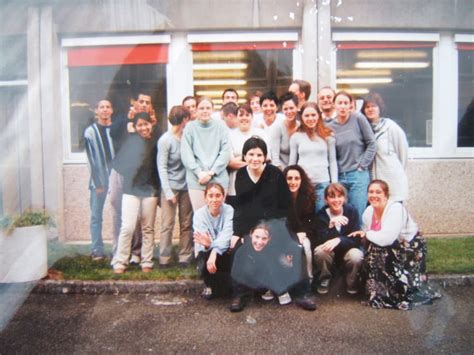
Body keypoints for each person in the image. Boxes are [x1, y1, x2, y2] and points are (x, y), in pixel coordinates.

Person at [350, 180, 440, 310]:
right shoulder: (368, 212)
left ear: (386, 195)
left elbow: (387, 239)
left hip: (410, 247)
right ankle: (378, 293)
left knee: (377, 249)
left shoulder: (395, 209)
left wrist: (367, 233)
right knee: (373, 250)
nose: (374, 195)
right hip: (388, 246)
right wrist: (365, 235)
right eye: (371, 192)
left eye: (378, 192)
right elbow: (368, 236)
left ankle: (394, 294)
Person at [111, 112, 160, 274]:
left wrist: (158, 191)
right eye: (140, 125)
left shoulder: (156, 143)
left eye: (146, 124)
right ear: (135, 126)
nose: (143, 128)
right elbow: (118, 165)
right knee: (128, 227)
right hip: (130, 190)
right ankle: (121, 261)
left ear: (151, 125)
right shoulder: (129, 142)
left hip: (149, 190)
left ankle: (146, 261)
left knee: (148, 228)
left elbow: (158, 169)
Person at [230, 221, 316, 312]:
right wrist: (238, 232)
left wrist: (298, 230)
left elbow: (291, 215)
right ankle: (239, 295)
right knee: (238, 249)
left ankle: (302, 294)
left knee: (297, 249)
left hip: (281, 230)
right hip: (253, 229)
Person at [232, 136, 291, 247]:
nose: (255, 159)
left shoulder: (275, 173)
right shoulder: (241, 174)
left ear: (265, 157)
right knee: (238, 248)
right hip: (250, 228)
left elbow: (285, 205)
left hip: (273, 226)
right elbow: (241, 207)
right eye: (251, 154)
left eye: (259, 155)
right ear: (244, 156)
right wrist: (239, 232)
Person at [328, 91, 376, 221]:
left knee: (357, 215)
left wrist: (362, 165)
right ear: (334, 105)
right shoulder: (329, 127)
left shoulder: (358, 118)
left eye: (346, 103)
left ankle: (359, 241)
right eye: (339, 103)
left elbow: (372, 143)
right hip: (340, 177)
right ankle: (346, 241)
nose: (343, 106)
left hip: (357, 175)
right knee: (342, 216)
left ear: (351, 105)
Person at [157, 106, 193, 268]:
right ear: (184, 119)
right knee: (167, 224)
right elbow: (162, 167)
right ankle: (164, 258)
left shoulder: (187, 137)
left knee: (186, 223)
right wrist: (168, 191)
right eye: (187, 118)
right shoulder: (165, 140)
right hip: (170, 187)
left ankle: (184, 256)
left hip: (186, 186)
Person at [181, 96, 231, 211]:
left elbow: (225, 152)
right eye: (201, 108)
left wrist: (211, 173)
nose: (205, 111)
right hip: (197, 180)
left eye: (208, 108)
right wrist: (199, 173)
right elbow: (186, 154)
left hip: (218, 178)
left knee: (218, 217)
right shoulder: (190, 128)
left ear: (213, 109)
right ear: (196, 110)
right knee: (200, 219)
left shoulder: (221, 126)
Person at [313, 183, 364, 295]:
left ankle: (351, 281)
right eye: (332, 196)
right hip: (330, 255)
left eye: (339, 196)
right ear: (326, 199)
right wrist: (330, 227)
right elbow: (319, 241)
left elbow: (356, 240)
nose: (336, 200)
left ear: (344, 198)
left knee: (356, 255)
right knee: (320, 251)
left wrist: (339, 240)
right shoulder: (321, 215)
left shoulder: (351, 211)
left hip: (347, 251)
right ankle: (325, 278)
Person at [289, 102, 338, 212]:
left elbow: (332, 161)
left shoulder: (328, 136)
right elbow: (292, 165)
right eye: (306, 115)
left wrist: (334, 183)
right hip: (304, 185)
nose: (310, 118)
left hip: (322, 183)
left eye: (313, 115)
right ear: (301, 117)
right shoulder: (296, 137)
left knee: (321, 215)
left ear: (319, 116)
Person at [361, 92, 409, 202]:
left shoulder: (391, 127)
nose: (370, 109)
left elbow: (403, 154)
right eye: (367, 107)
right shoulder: (363, 129)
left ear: (380, 108)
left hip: (393, 183)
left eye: (374, 106)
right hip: (374, 185)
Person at [84, 99, 115, 260]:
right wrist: (98, 183)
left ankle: (118, 248)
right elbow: (90, 160)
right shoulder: (90, 132)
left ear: (112, 110)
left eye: (107, 107)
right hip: (98, 182)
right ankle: (97, 249)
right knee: (96, 216)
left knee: (119, 216)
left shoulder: (116, 129)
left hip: (116, 179)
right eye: (101, 107)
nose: (104, 110)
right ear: (96, 110)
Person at [193, 183, 233, 299]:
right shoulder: (199, 215)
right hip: (205, 253)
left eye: (218, 195)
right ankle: (209, 285)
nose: (214, 199)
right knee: (206, 258)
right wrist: (211, 247)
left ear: (223, 197)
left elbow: (227, 234)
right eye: (210, 196)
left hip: (222, 251)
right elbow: (203, 241)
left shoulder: (229, 210)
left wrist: (214, 248)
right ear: (205, 198)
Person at [227, 104, 269, 206]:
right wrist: (255, 160)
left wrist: (240, 159)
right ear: (236, 117)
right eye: (241, 115)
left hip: (259, 183)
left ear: (252, 117)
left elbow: (267, 157)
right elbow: (230, 162)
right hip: (235, 186)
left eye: (247, 115)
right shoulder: (229, 135)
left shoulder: (261, 133)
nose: (244, 118)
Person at [283, 165, 316, 279]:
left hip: (302, 233)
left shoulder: (308, 197)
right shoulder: (279, 198)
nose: (293, 182)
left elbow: (310, 221)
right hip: (285, 233)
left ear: (302, 180)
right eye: (289, 178)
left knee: (306, 246)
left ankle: (309, 279)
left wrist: (303, 232)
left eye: (297, 178)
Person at [270, 92, 300, 170]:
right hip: (281, 169)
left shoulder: (301, 127)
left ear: (297, 107)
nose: (289, 112)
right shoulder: (277, 127)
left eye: (291, 108)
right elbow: (275, 156)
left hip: (299, 169)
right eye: (285, 109)